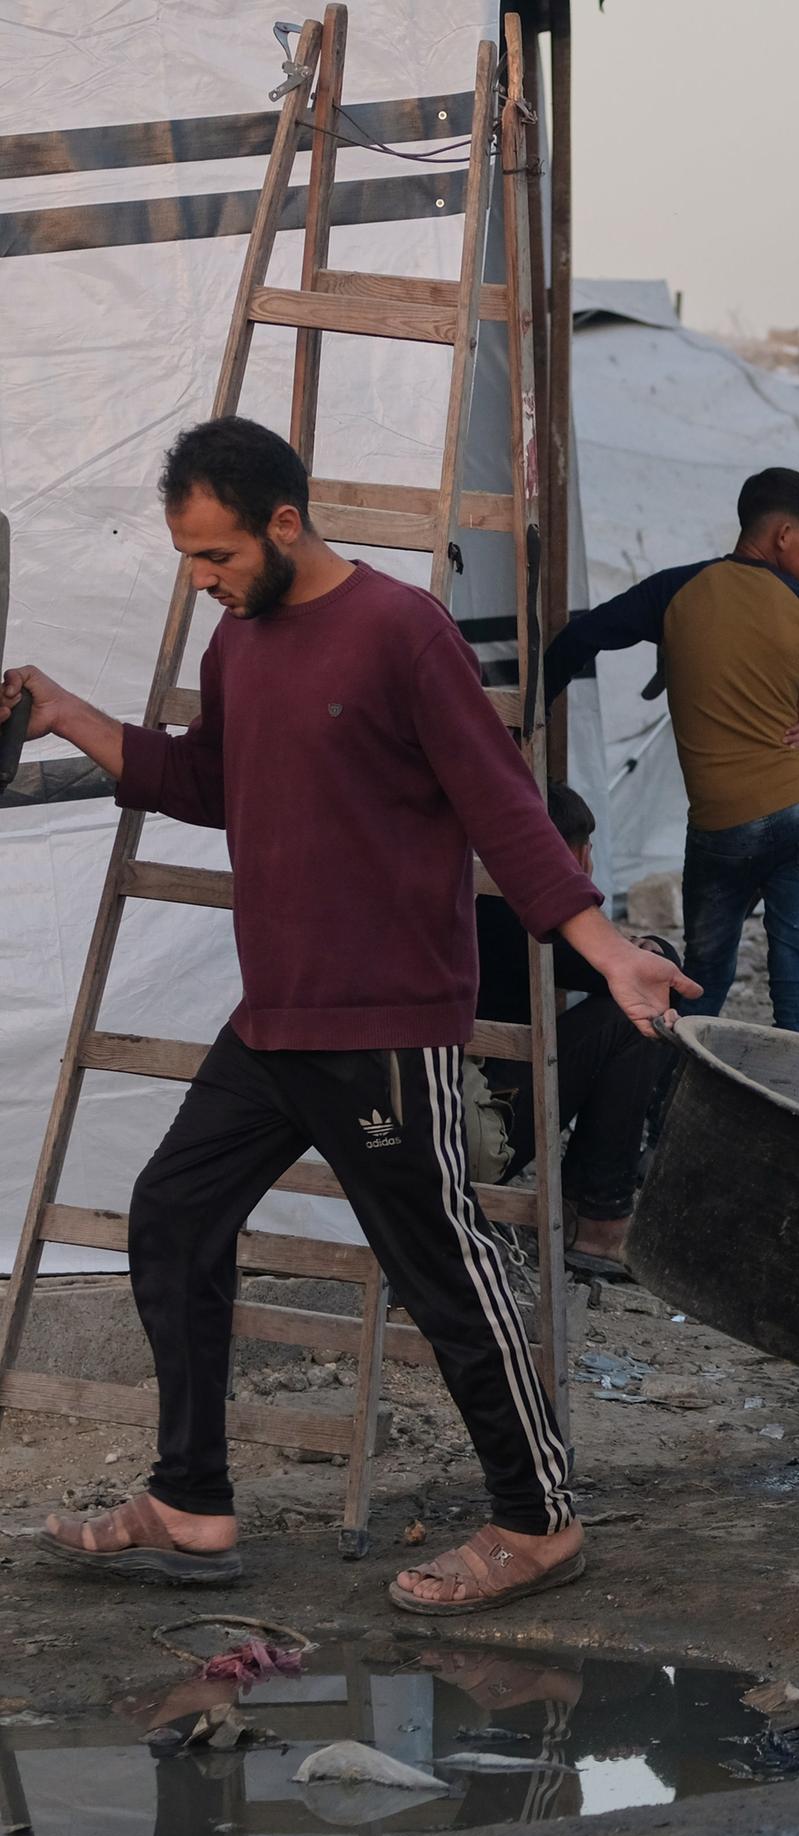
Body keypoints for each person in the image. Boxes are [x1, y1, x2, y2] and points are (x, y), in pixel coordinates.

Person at [1, 417, 698, 1613]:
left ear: (285, 521)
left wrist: (601, 943)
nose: (205, 584)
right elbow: (205, 786)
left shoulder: (399, 631)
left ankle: (537, 1523)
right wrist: (68, 712)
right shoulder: (241, 646)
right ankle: (192, 1500)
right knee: (173, 1213)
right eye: (190, 562)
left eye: (217, 558)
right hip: (275, 1015)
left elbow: (502, 807)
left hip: (380, 1019)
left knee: (443, 1265)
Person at [544, 467, 799, 1035]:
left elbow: (578, 639)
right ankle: (797, 1110)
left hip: (724, 828)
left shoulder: (674, 591)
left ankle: (672, 1107)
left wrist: (526, 729)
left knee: (702, 980)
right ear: (782, 536)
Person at [471, 782, 680, 1278]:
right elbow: (658, 968)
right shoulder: (524, 908)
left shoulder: (476, 891)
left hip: (426, 1122)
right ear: (580, 854)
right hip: (479, 1131)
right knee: (634, 1022)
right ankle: (602, 1221)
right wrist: (637, 943)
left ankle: (582, 1202)